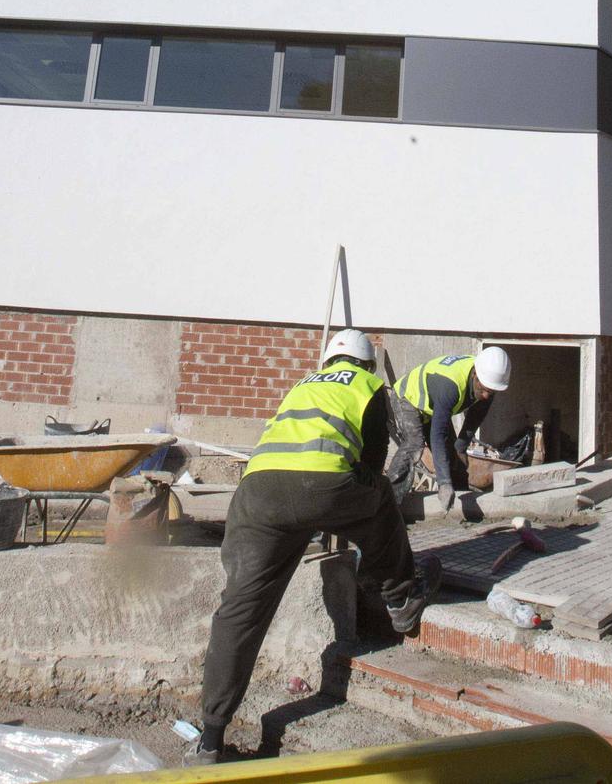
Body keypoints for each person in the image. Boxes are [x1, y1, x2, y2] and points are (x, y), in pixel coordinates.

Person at [188, 328, 440, 766]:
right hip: (323, 484)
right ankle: (401, 598)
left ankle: (210, 738)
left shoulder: (301, 385)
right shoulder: (368, 386)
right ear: (366, 364)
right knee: (380, 496)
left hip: (257, 493)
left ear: (327, 362)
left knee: (241, 610)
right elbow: (370, 463)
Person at [386, 347, 512, 512]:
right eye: (484, 390)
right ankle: (390, 504)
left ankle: (460, 501)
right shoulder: (450, 385)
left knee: (452, 452)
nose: (487, 396)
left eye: (492, 392)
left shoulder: (487, 379)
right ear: (475, 374)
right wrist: (443, 482)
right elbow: (437, 435)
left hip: (432, 405)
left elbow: (476, 416)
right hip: (408, 398)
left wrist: (461, 446)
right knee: (414, 444)